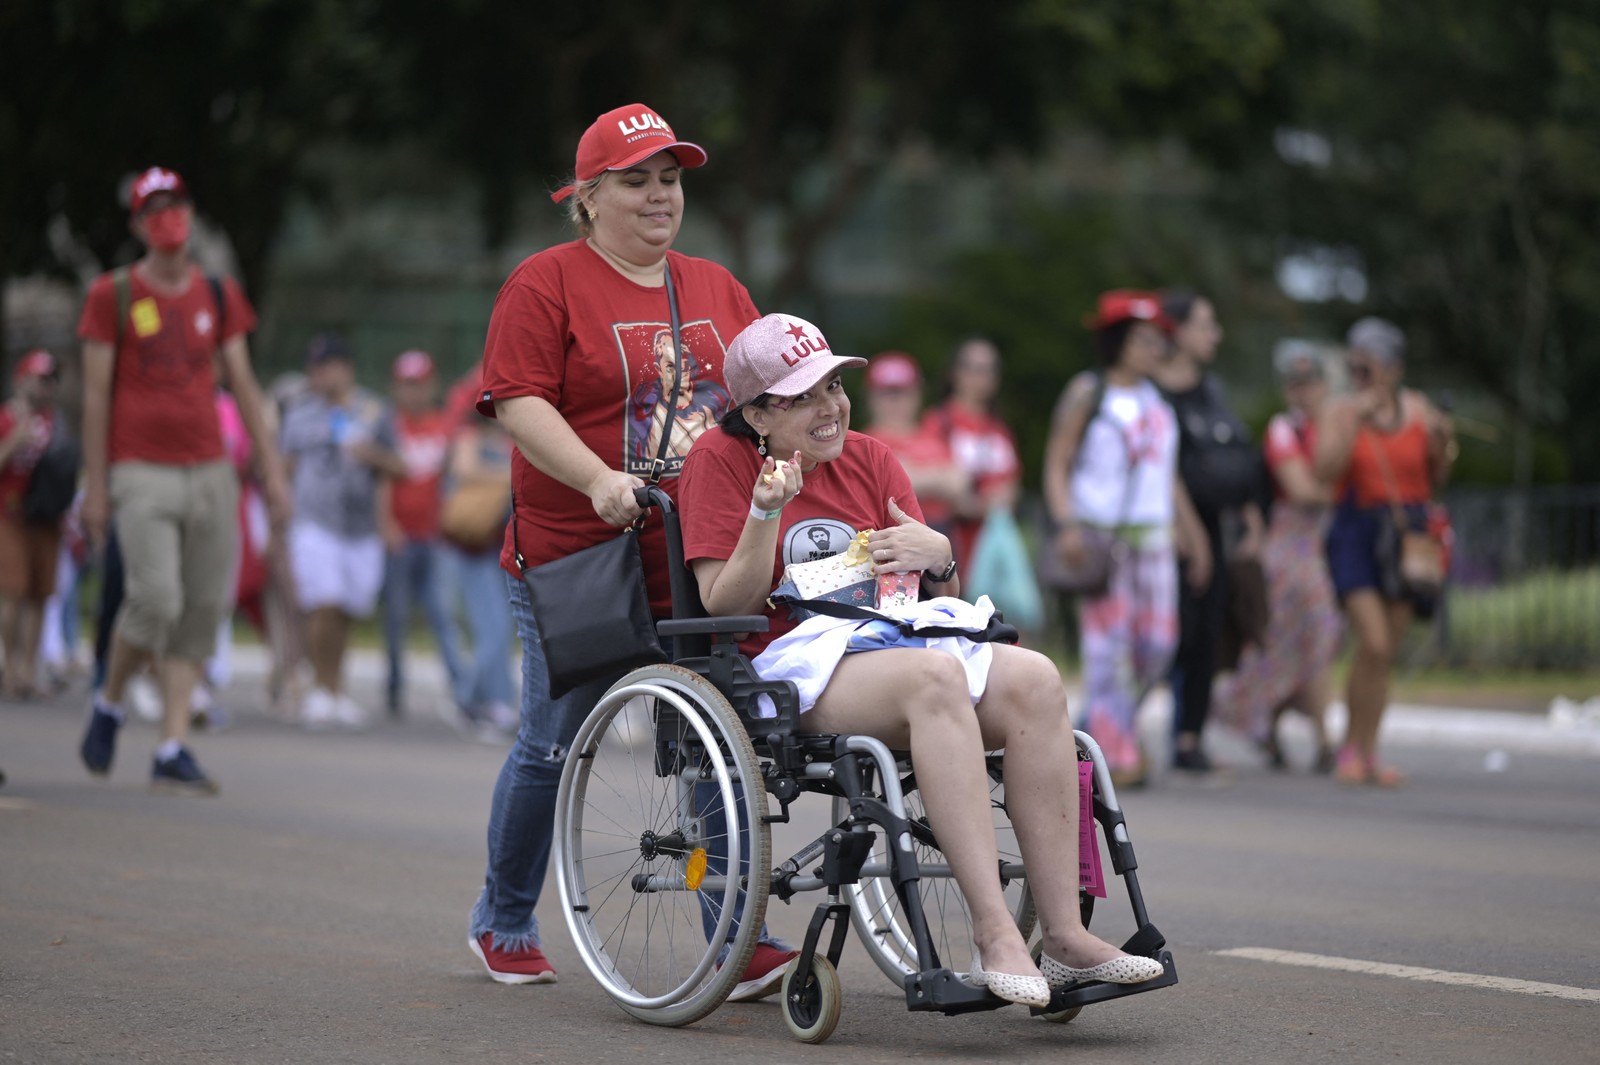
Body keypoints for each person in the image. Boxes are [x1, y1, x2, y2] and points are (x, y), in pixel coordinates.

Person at [679, 312, 1167, 1008]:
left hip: (888, 640)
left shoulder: (872, 457)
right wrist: (765, 514)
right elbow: (721, 600)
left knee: (1036, 678)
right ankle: (995, 931)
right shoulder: (719, 464)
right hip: (783, 666)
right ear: (757, 412)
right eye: (806, 395)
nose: (831, 407)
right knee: (934, 680)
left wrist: (936, 551)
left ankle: (1061, 934)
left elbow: (942, 587)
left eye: (835, 387)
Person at [467, 102, 793, 995]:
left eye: (671, 179)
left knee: (714, 745)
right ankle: (502, 916)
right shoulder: (546, 282)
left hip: (700, 560)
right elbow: (519, 399)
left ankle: (735, 932)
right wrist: (597, 480)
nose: (660, 196)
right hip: (582, 558)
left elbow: (770, 393)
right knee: (553, 743)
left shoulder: (718, 286)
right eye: (636, 180)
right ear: (587, 196)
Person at [75, 166, 291, 794]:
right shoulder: (113, 295)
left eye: (177, 205)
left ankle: (172, 744)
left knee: (200, 610)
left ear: (190, 215)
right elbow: (94, 399)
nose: (169, 218)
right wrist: (94, 488)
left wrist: (272, 472)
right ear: (139, 224)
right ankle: (110, 700)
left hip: (210, 470)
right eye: (155, 208)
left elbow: (244, 387)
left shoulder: (217, 294)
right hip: (140, 469)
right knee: (155, 599)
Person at [1041, 292, 1209, 786]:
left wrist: (1193, 534)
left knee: (1158, 646)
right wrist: (1067, 523)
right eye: (1142, 338)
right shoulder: (1087, 392)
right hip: (1100, 540)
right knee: (1108, 651)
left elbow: (1166, 474)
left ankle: (1097, 728)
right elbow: (1057, 461)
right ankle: (1117, 754)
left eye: (1158, 339)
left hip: (1155, 541)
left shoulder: (1158, 401)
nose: (1154, 347)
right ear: (1116, 340)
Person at [1315, 318, 1456, 786]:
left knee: (1385, 652)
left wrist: (1443, 444)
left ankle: (1369, 751)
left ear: (1393, 369)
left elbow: (1435, 476)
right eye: (1354, 364)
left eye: (1368, 365)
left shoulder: (1419, 410)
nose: (1360, 373)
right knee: (1371, 641)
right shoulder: (1340, 411)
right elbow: (1324, 471)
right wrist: (1356, 418)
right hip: (1357, 529)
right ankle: (1350, 747)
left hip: (1407, 533)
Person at [1212, 342, 1342, 772]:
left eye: (1310, 383)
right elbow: (1303, 489)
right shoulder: (1284, 429)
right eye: (1294, 384)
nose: (1302, 392)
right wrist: (1337, 492)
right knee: (1301, 636)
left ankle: (1282, 726)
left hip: (1324, 540)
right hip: (1293, 543)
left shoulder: (1334, 426)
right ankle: (1312, 734)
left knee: (1310, 643)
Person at [1153, 289, 1267, 774]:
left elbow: (1234, 455)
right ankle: (1113, 729)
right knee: (1165, 637)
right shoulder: (1151, 393)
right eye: (1205, 324)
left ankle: (1188, 737)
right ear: (1176, 331)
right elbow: (1161, 469)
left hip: (1215, 525)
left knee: (1205, 634)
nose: (1214, 334)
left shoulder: (1211, 391)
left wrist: (1252, 515)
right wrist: (1188, 532)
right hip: (1164, 530)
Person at [279, 332, 405, 730]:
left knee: (347, 609)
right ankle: (319, 689)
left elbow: (400, 468)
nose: (320, 376)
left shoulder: (373, 410)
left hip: (361, 525)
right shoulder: (300, 414)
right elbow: (284, 468)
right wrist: (276, 521)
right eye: (314, 369)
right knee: (325, 602)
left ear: (345, 368)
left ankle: (336, 690)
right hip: (314, 521)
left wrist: (371, 455)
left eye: (327, 367)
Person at [381, 349, 467, 719]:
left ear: (431, 385)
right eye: (406, 385)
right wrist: (385, 525)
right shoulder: (388, 426)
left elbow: (452, 476)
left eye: (420, 384)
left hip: (434, 538)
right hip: (400, 537)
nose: (413, 392)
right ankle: (395, 689)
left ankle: (460, 690)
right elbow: (379, 476)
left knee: (442, 614)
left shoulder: (443, 426)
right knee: (396, 618)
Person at [440, 411, 516, 739]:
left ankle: (488, 701)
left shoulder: (508, 442)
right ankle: (472, 700)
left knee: (501, 629)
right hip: (474, 549)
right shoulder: (469, 437)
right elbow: (464, 470)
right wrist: (508, 474)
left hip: (499, 547)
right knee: (493, 629)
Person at [0, 350, 69, 699]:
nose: (45, 386)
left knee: (40, 596)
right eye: (39, 378)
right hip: (9, 515)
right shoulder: (6, 418)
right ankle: (8, 669)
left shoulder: (55, 422)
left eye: (50, 380)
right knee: (11, 593)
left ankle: (29, 670)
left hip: (45, 518)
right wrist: (16, 440)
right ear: (20, 378)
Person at [925, 336, 1021, 575]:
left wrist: (1000, 500)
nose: (982, 377)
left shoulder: (999, 429)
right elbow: (932, 485)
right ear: (955, 372)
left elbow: (1012, 485)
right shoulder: (937, 423)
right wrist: (977, 504)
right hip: (950, 543)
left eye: (989, 370)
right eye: (974, 368)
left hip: (994, 547)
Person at [858, 351, 967, 534]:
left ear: (917, 394)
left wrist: (909, 474)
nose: (896, 401)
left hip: (940, 531)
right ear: (871, 397)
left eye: (903, 392)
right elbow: (877, 489)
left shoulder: (932, 436)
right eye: (888, 393)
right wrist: (937, 476)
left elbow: (959, 484)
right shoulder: (862, 443)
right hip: (888, 532)